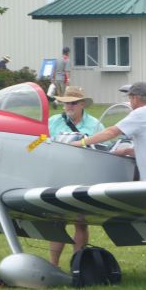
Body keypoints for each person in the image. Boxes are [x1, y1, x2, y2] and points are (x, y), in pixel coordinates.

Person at [71, 82, 146, 279]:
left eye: (130, 99)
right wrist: (131, 150)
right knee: (145, 227)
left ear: (135, 98)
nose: (130, 103)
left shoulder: (141, 114)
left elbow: (111, 132)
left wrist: (82, 142)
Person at [47, 86, 104, 268]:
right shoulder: (53, 121)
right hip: (57, 175)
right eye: (65, 103)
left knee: (81, 223)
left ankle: (77, 265)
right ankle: (53, 265)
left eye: (72, 103)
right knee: (57, 222)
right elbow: (38, 142)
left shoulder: (95, 125)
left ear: (81, 104)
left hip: (84, 176)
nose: (68, 107)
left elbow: (106, 149)